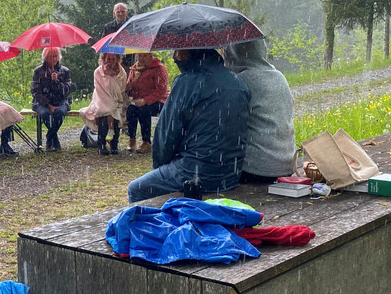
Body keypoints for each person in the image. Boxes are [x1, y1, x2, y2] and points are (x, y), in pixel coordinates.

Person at [127, 48, 250, 203]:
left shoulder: (187, 82)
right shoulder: (238, 82)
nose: (174, 56)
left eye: (177, 51)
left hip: (196, 172)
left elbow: (166, 134)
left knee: (136, 189)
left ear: (191, 51)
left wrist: (160, 166)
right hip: (230, 174)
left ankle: (159, 219)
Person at [224, 39, 296, 182]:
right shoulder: (279, 76)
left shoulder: (241, 80)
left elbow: (227, 125)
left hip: (256, 170)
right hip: (287, 165)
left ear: (234, 53)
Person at [79, 53, 128, 155]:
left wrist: (113, 77)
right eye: (108, 59)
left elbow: (122, 90)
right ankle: (101, 144)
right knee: (103, 112)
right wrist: (108, 76)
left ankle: (114, 144)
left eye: (113, 59)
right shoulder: (98, 72)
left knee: (115, 112)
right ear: (103, 59)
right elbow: (100, 91)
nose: (110, 61)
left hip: (117, 101)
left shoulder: (122, 72)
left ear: (117, 59)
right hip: (100, 100)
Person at [125, 51, 170, 153]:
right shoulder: (134, 68)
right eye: (140, 55)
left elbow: (161, 90)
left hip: (159, 100)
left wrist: (146, 100)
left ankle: (146, 142)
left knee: (144, 110)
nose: (142, 58)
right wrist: (129, 89)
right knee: (131, 110)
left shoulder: (159, 68)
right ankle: (132, 138)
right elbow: (131, 90)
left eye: (145, 56)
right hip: (140, 99)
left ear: (151, 56)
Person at [30, 47, 72, 152]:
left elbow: (66, 91)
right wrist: (48, 105)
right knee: (45, 114)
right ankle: (55, 139)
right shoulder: (38, 71)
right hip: (42, 103)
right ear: (45, 57)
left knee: (59, 113)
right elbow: (35, 91)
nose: (54, 59)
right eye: (50, 56)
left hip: (60, 102)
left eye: (55, 56)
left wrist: (56, 81)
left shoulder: (65, 71)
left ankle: (50, 137)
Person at [104, 2, 136, 69]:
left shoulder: (134, 26)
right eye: (118, 12)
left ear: (127, 12)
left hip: (131, 63)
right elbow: (104, 45)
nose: (120, 14)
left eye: (123, 11)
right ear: (114, 13)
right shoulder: (108, 27)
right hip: (113, 63)